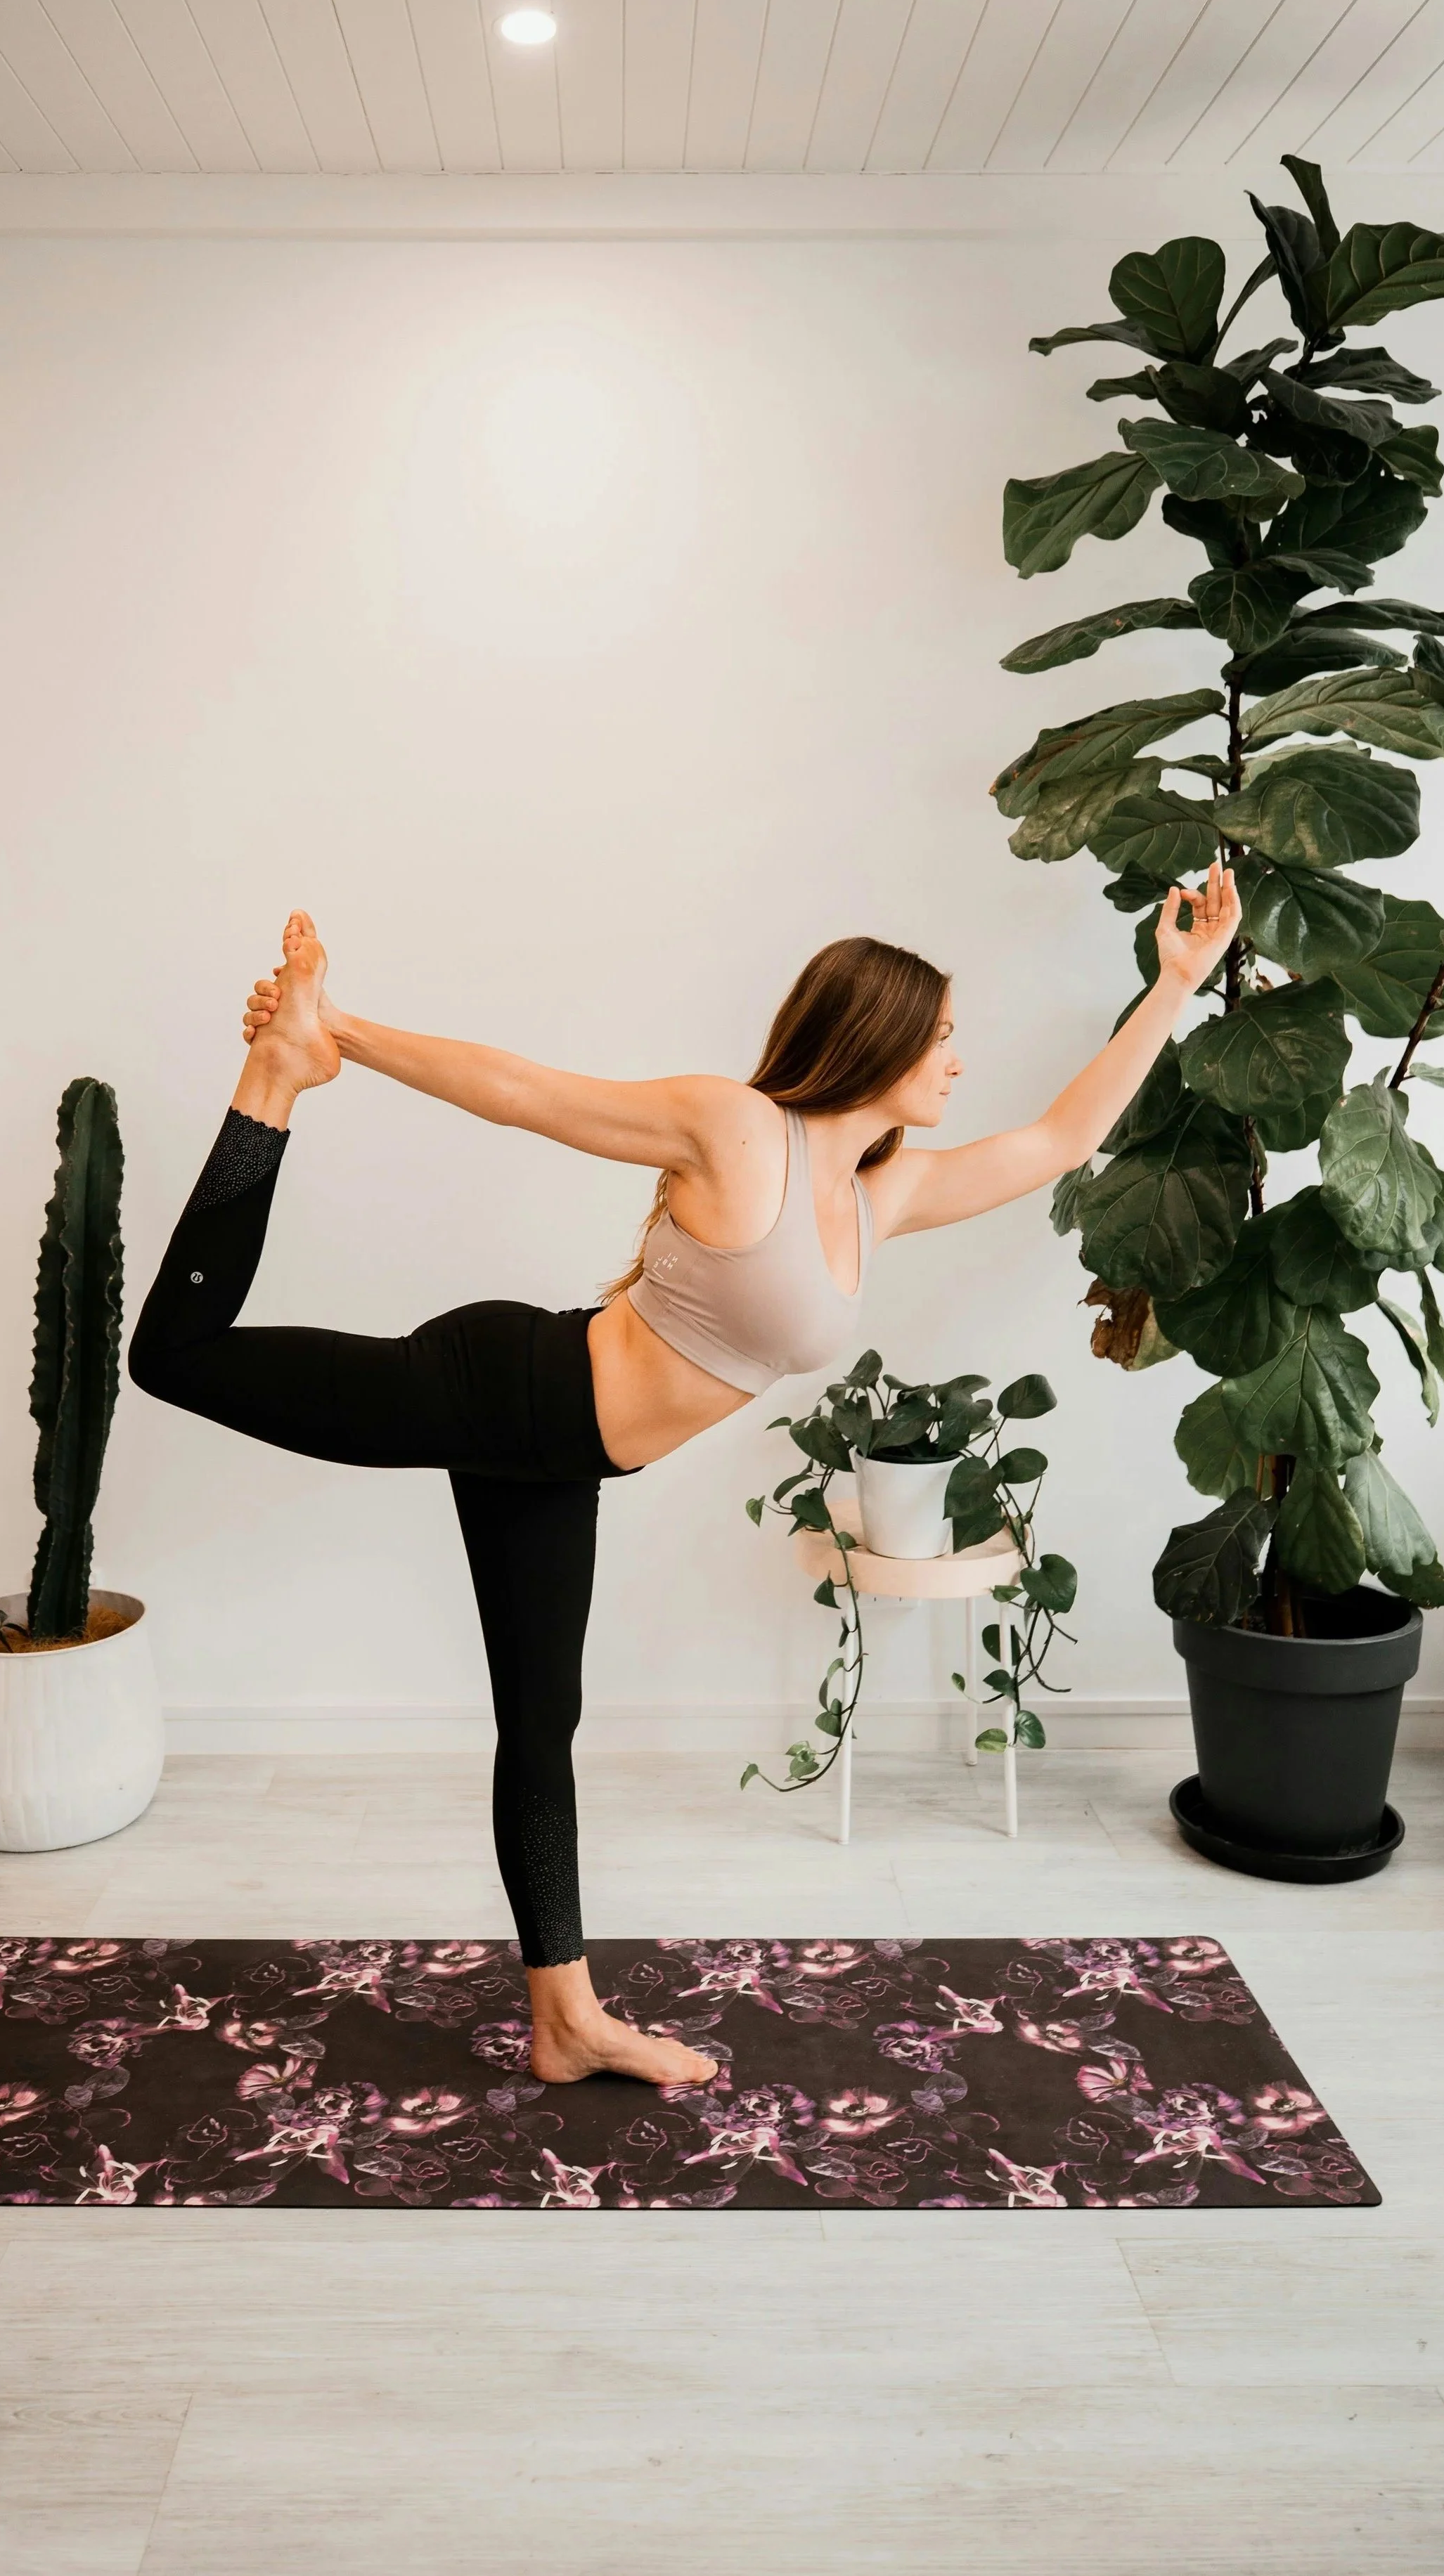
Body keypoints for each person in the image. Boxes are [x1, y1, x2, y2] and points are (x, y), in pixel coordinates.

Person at [128, 869, 1240, 2089]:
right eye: (940, 1037)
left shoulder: (882, 1196)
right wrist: (339, 1030)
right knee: (175, 1356)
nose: (957, 1061)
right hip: (501, 1385)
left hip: (559, 1454)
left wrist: (1176, 981)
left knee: (540, 1723)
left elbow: (1061, 1139)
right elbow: (528, 1093)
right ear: (874, 1038)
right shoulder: (737, 1130)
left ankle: (566, 2022)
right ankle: (275, 1077)